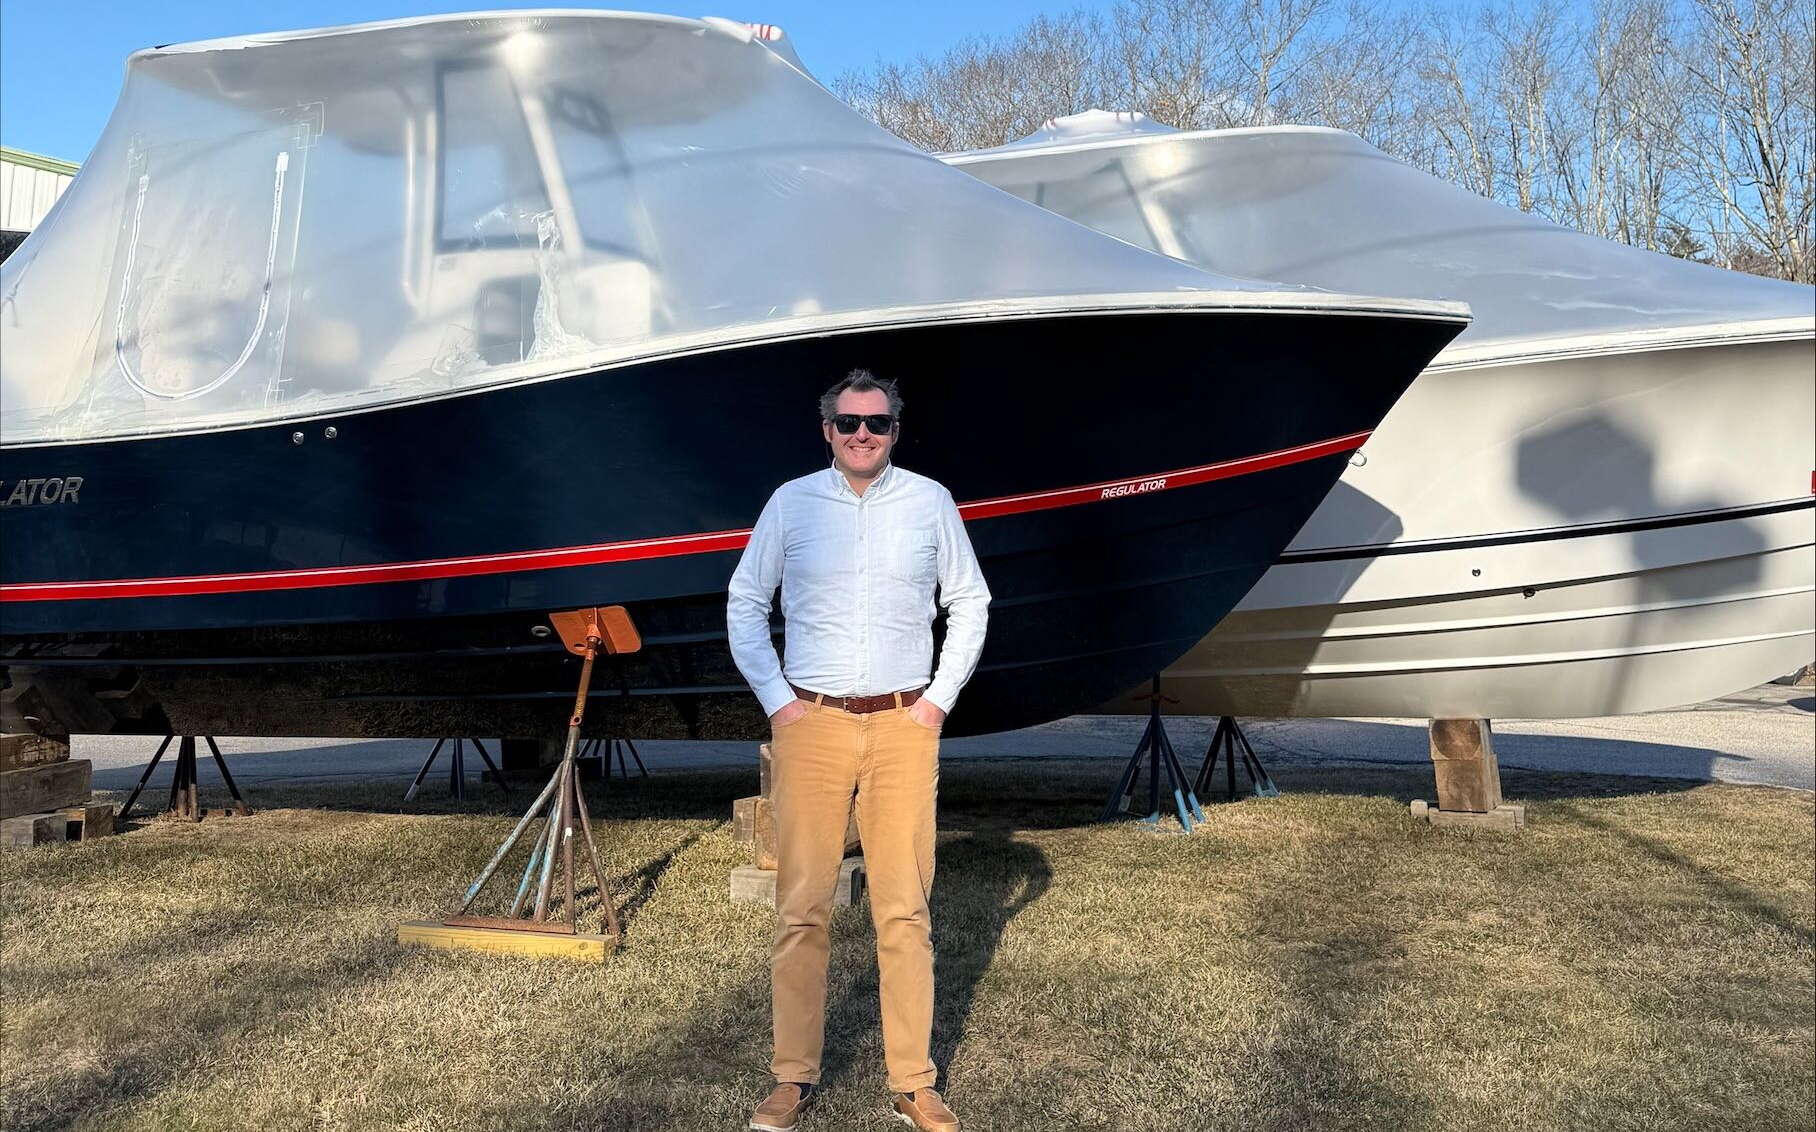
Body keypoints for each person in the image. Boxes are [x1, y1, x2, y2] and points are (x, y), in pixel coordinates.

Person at [728, 369, 990, 1132]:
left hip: (905, 725)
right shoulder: (791, 503)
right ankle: (791, 1076)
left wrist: (938, 701)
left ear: (896, 429)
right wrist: (779, 701)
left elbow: (968, 600)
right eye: (848, 422)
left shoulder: (930, 502)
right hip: (812, 723)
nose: (862, 433)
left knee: (904, 909)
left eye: (875, 421)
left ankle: (913, 1081)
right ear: (827, 431)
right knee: (801, 904)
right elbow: (747, 600)